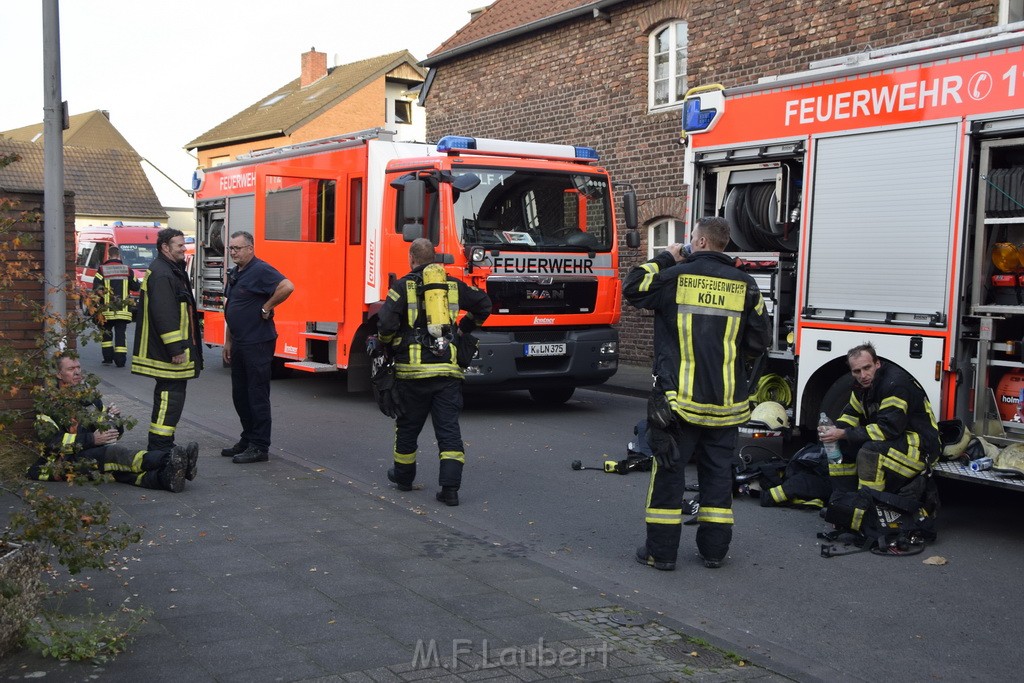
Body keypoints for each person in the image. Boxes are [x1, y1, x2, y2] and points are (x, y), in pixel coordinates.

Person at [623, 216, 770, 570]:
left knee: (669, 473)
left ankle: (661, 553)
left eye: (690, 239)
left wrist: (667, 258)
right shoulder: (746, 285)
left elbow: (633, 286)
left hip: (679, 403)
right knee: (718, 476)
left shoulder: (675, 277)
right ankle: (714, 552)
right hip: (727, 403)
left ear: (700, 242)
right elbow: (759, 341)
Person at [373, 238, 491, 506]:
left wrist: (388, 344)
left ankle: (403, 478)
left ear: (412, 258)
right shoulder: (452, 285)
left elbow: (387, 323)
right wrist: (463, 329)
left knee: (407, 427)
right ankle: (450, 490)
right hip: (447, 374)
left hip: (412, 374)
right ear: (434, 257)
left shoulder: (402, 286)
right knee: (448, 431)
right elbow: (484, 304)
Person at [28, 355, 197, 492]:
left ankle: (166, 479)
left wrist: (113, 421)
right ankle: (171, 459)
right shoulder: (49, 405)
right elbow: (51, 442)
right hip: (59, 462)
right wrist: (92, 440)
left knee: (118, 470)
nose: (78, 372)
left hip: (88, 452)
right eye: (71, 369)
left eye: (79, 367)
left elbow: (112, 435)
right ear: (59, 374)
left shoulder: (89, 399)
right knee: (114, 454)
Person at [818, 343, 941, 493]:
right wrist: (835, 431)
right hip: (899, 440)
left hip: (922, 448)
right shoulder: (860, 387)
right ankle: (844, 501)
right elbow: (851, 414)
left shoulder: (895, 385)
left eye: (867, 368)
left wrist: (844, 433)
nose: (863, 376)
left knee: (870, 453)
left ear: (877, 364)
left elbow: (887, 429)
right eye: (857, 371)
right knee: (841, 445)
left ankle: (869, 505)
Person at [219, 231, 294, 464]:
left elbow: (287, 286)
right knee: (240, 395)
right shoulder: (235, 274)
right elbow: (231, 308)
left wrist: (267, 306)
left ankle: (260, 446)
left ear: (250, 249)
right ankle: (248, 438)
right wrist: (228, 341)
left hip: (257, 342)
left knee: (257, 395)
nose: (233, 252)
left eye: (238, 248)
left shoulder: (260, 270)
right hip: (240, 342)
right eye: (231, 248)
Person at [131, 228, 203, 452]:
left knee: (171, 397)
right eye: (179, 245)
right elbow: (164, 314)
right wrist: (175, 349)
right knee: (169, 398)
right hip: (169, 353)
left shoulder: (168, 269)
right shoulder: (163, 273)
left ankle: (164, 443)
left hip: (169, 350)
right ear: (165, 247)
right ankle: (160, 447)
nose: (184, 248)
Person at [92, 246, 139, 367]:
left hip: (106, 310)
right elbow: (135, 286)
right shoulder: (127, 269)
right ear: (118, 256)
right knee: (120, 335)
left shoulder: (102, 270)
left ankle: (107, 358)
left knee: (106, 334)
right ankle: (120, 361)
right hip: (122, 310)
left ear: (108, 255)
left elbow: (96, 288)